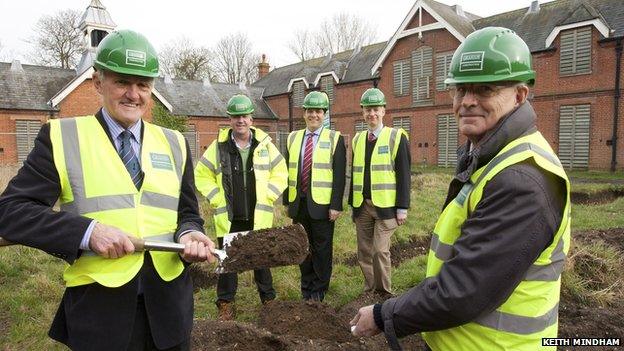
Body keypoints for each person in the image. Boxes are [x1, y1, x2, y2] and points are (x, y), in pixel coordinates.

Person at [350, 27, 571, 351]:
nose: (467, 101)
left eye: (484, 89)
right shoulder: (487, 156)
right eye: (460, 90)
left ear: (520, 95)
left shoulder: (523, 181)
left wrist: (384, 315)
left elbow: (463, 290)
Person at [0, 29, 216, 351]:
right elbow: (10, 211)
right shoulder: (61, 137)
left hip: (170, 310)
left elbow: (186, 213)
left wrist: (189, 232)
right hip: (101, 315)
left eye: (143, 84)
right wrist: (89, 231)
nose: (133, 94)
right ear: (98, 83)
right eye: (122, 82)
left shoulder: (175, 143)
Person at [194, 94, 288, 321]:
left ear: (251, 119)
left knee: (261, 261)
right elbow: (201, 174)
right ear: (230, 119)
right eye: (236, 117)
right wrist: (216, 198)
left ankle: (269, 302)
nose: (241, 121)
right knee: (228, 263)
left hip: (258, 215)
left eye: (244, 116)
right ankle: (225, 304)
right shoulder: (219, 148)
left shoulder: (264, 145)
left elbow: (281, 172)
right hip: (229, 216)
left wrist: (269, 195)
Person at [283, 91, 346, 302]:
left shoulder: (334, 139)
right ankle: (306, 287)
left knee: (321, 249)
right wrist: (287, 202)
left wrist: (336, 205)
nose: (314, 115)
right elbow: (287, 171)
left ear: (324, 114)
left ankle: (319, 289)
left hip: (322, 205)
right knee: (302, 247)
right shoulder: (293, 138)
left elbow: (339, 176)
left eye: (318, 111)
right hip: (298, 204)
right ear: (304, 114)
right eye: (310, 111)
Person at [348, 87, 411, 295]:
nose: (371, 114)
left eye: (376, 109)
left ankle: (384, 293)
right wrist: (353, 206)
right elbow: (356, 173)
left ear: (384, 111)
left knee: (379, 250)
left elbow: (404, 174)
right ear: (363, 112)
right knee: (364, 252)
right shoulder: (357, 140)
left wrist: (402, 207)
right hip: (362, 205)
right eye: (367, 110)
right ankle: (370, 291)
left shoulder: (396, 137)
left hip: (386, 206)